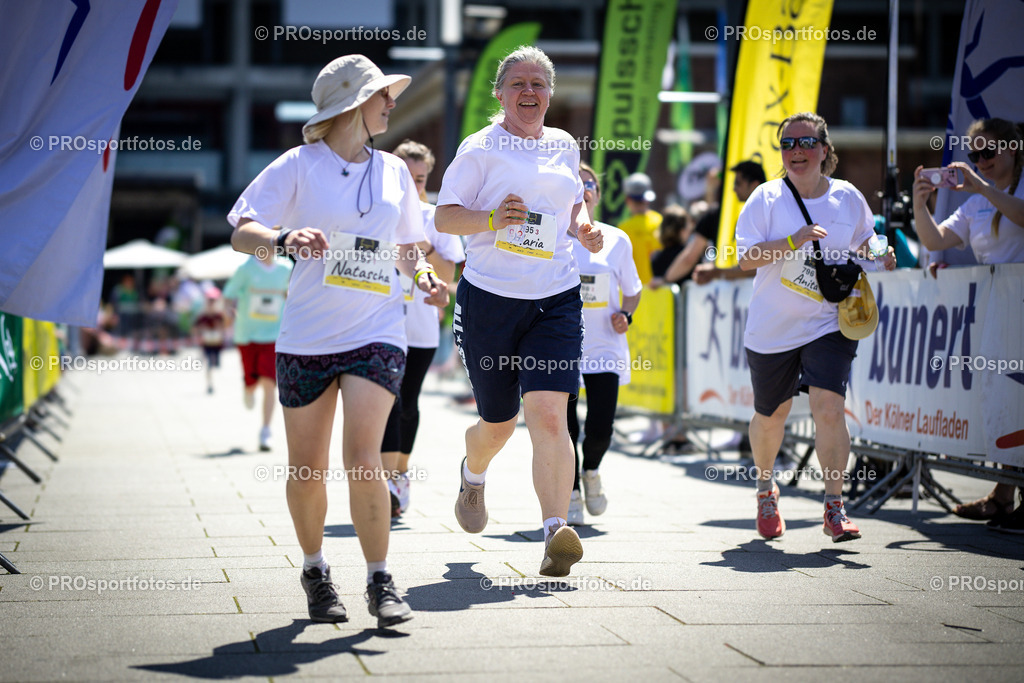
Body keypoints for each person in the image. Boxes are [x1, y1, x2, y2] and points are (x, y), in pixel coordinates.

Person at [228, 54, 448, 627]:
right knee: (306, 469)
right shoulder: (298, 165)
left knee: (364, 459)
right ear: (354, 102)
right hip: (305, 335)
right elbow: (240, 233)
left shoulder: (396, 172)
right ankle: (316, 569)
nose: (391, 105)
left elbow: (406, 248)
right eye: (382, 96)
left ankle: (380, 580)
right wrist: (280, 238)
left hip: (377, 331)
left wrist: (423, 276)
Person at [434, 46, 603, 577]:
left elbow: (571, 204)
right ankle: (473, 473)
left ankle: (556, 530)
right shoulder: (480, 148)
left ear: (550, 94)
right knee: (499, 424)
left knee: (551, 414)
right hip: (489, 301)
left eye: (539, 84)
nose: (530, 92)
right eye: (519, 84)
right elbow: (444, 218)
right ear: (501, 94)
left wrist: (584, 228)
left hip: (555, 298)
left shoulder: (561, 144)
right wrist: (489, 218)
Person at [735, 112, 896, 543]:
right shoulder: (766, 199)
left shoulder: (847, 197)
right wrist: (793, 241)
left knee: (828, 406)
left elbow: (867, 241)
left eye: (806, 143)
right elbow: (744, 258)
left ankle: (834, 507)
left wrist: (882, 252)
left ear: (825, 149)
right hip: (772, 327)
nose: (796, 152)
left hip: (829, 320)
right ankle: (766, 490)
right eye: (787, 144)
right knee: (772, 416)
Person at [912, 117, 1024, 533]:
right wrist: (920, 202)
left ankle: (1008, 494)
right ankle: (1003, 494)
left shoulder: (989, 191)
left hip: (1020, 305)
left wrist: (980, 185)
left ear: (1013, 147)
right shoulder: (976, 201)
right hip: (999, 308)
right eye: (974, 154)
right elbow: (935, 240)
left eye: (989, 152)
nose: (981, 161)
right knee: (1004, 400)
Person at [381, 140, 465, 517]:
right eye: (406, 176)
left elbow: (449, 274)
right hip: (379, 323)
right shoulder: (378, 213)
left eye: (420, 178)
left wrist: (419, 245)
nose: (413, 186)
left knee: (407, 401)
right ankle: (383, 483)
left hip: (420, 325)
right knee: (383, 400)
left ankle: (400, 473)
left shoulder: (436, 217)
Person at [566, 162, 642, 525]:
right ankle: (570, 491)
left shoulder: (616, 239)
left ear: (597, 191)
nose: (583, 188)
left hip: (604, 348)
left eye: (589, 183)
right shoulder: (552, 237)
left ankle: (591, 471)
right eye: (575, 183)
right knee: (566, 428)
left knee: (600, 427)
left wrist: (625, 315)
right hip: (561, 347)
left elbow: (633, 290)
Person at [222, 251, 292, 451]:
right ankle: (248, 387)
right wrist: (227, 312)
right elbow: (228, 295)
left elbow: (290, 294)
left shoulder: (286, 267)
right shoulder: (245, 269)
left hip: (273, 335)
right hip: (247, 334)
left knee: (269, 382)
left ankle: (266, 431)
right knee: (252, 382)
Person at [693, 160, 767, 285]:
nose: (733, 189)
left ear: (754, 185)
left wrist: (717, 272)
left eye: (738, 183)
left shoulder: (766, 213)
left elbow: (757, 266)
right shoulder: (754, 212)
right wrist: (718, 272)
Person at [617, 172, 662, 285]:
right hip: (658, 289)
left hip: (631, 289)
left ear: (627, 199)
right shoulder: (660, 221)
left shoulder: (623, 228)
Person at [192, 287, 227, 394]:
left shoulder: (219, 315)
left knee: (215, 365)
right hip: (206, 344)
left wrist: (219, 329)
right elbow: (195, 329)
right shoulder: (202, 316)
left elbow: (225, 328)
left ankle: (213, 382)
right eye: (209, 301)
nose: (211, 303)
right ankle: (210, 384)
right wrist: (201, 331)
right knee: (208, 365)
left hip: (217, 344)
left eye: (213, 301)